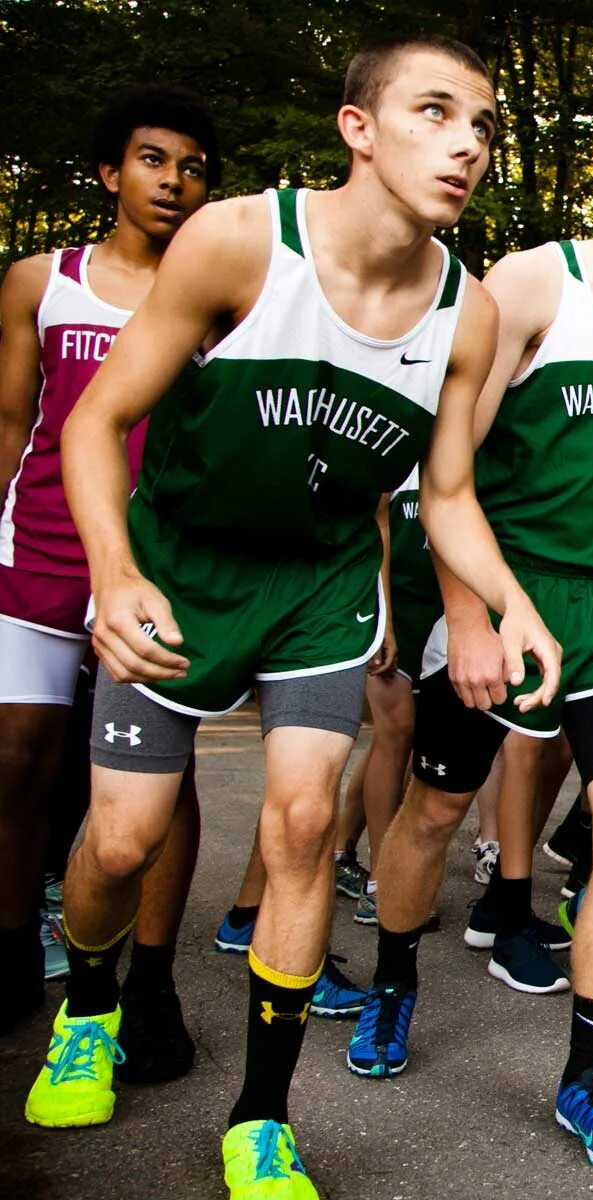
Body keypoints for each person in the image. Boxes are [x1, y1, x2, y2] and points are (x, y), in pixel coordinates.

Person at [36, 38, 555, 1200]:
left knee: (303, 827)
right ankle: (87, 1009)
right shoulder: (236, 240)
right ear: (358, 129)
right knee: (119, 843)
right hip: (183, 569)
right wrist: (114, 573)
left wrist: (510, 605)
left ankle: (263, 1117)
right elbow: (93, 420)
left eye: (481, 121)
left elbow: (453, 495)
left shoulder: (467, 315)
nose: (467, 142)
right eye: (435, 111)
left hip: (321, 585)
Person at [353, 85, 593, 1176]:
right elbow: (446, 466)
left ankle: (588, 1079)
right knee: (431, 813)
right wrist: (466, 613)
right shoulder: (530, 282)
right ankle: (392, 982)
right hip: (504, 598)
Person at [0, 86, 217, 1062]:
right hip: (43, 544)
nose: (174, 181)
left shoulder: (222, 298)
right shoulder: (41, 282)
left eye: (194, 167)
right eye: (154, 159)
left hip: (161, 564)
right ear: (109, 172)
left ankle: (155, 983)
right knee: (19, 763)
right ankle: (12, 951)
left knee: (162, 779)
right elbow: (14, 421)